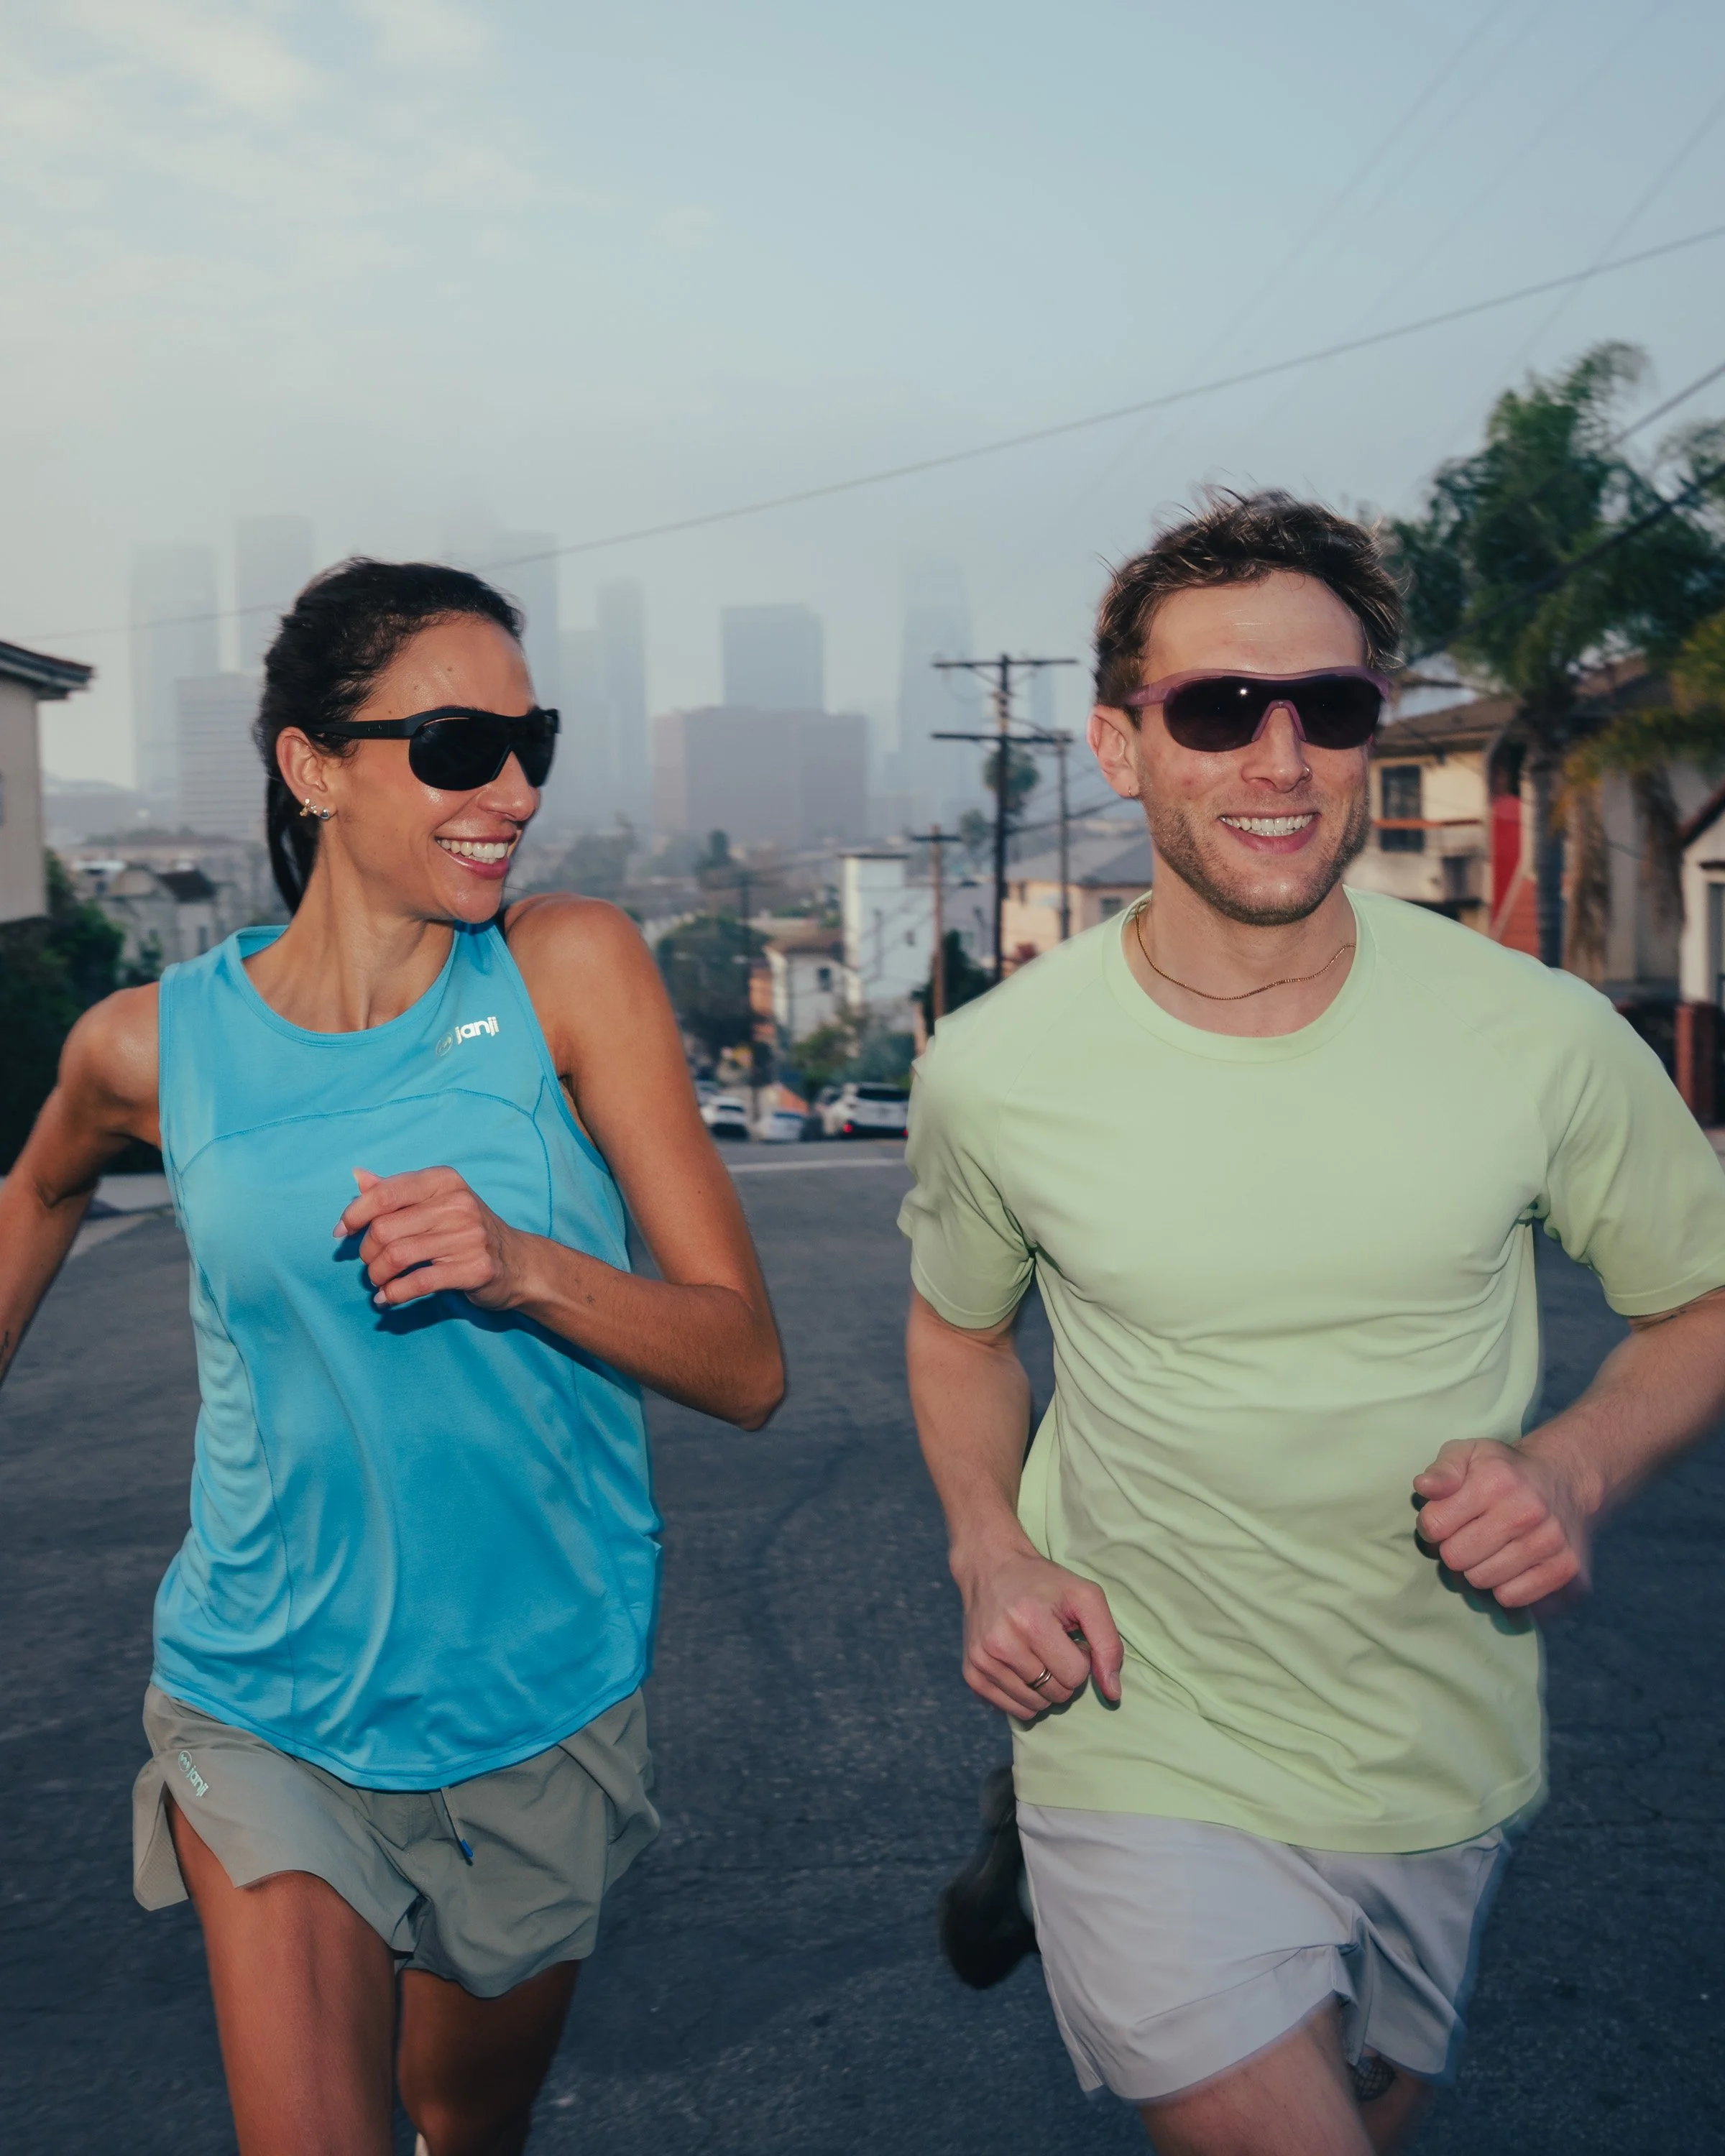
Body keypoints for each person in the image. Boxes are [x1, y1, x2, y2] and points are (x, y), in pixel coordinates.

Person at [900, 492, 1725, 2155]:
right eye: (1218, 708)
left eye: (1331, 708)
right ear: (1122, 748)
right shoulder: (995, 1067)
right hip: (1139, 1735)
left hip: (1433, 1747)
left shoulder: (1543, 1036)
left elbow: (1699, 1301)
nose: (1280, 757)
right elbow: (961, 1333)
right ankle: (1047, 1847)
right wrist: (991, 1547)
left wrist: (1571, 1469)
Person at [0, 559, 784, 2156]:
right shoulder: (151, 1045)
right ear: (314, 765)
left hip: (536, 1695)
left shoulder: (568, 972)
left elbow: (745, 1362)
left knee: (461, 2126)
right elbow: (40, 1185)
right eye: (453, 747)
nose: (509, 791)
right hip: (260, 1692)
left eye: (529, 743)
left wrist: (525, 1267)